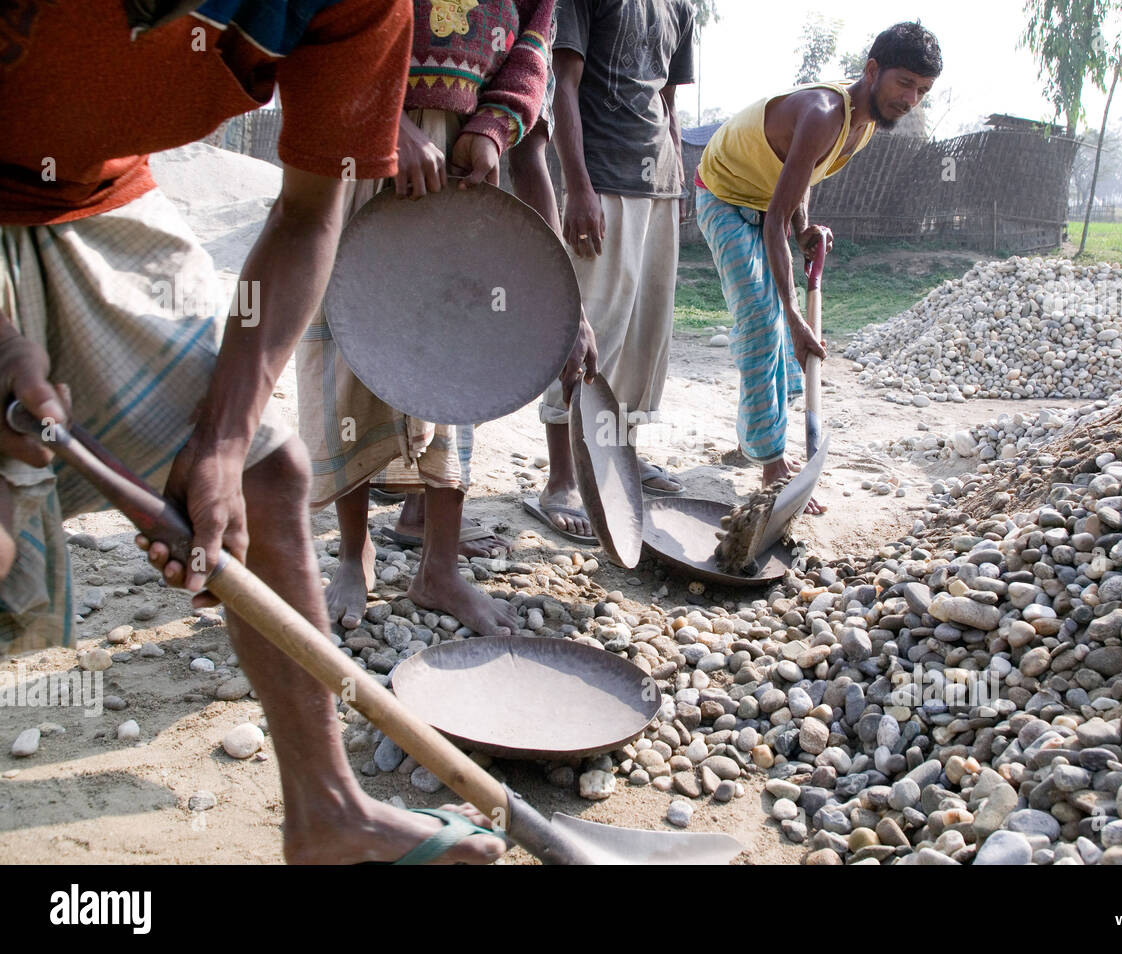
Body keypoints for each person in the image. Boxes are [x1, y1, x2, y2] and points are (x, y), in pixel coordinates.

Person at [0, 0, 502, 864]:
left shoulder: (364, 11)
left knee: (266, 474)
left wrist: (224, 439)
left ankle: (329, 815)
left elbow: (309, 214)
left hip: (89, 199)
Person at [298, 0, 594, 635]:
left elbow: (532, 49)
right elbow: (327, 23)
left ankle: (439, 569)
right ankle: (354, 554)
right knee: (350, 340)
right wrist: (387, 125)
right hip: (356, 133)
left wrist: (491, 127)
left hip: (459, 154)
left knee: (456, 351)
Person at [694, 22, 942, 513]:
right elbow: (773, 227)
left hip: (768, 203)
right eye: (905, 83)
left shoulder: (866, 124)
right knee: (765, 324)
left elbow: (800, 177)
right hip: (723, 198)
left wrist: (805, 230)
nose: (911, 99)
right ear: (872, 70)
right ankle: (771, 466)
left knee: (779, 331)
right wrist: (793, 312)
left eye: (923, 90)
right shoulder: (825, 111)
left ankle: (756, 438)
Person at [529, 0, 696, 542]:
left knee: (645, 334)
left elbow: (666, 100)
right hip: (604, 179)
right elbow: (565, 88)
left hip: (659, 184)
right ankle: (561, 480)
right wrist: (578, 185)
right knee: (591, 327)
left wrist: (677, 171)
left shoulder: (681, 6)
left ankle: (618, 456)